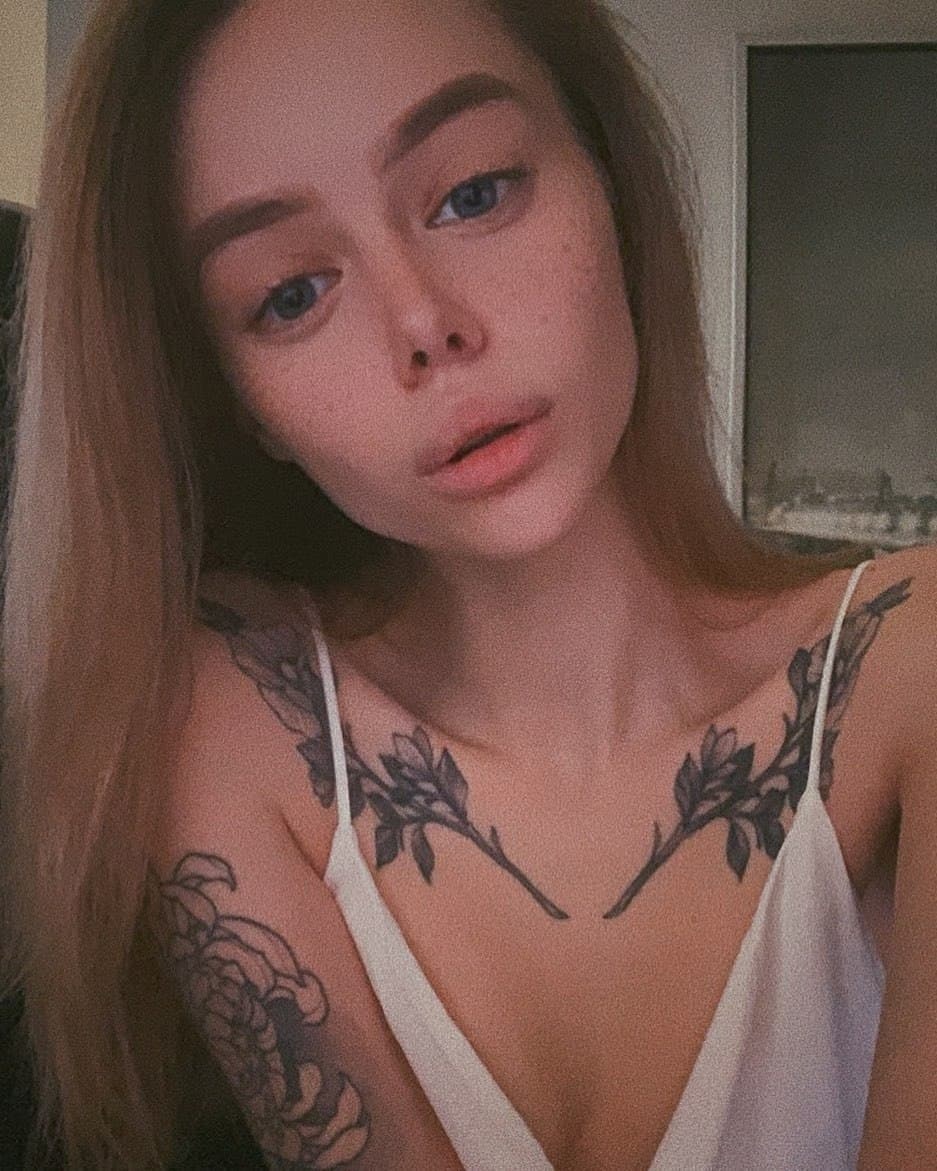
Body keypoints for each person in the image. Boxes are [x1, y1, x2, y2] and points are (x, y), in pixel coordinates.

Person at [1, 0, 935, 1167]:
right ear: (242, 405)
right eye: (290, 294)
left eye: (474, 193)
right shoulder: (228, 726)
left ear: (610, 183)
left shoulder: (912, 664)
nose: (424, 326)